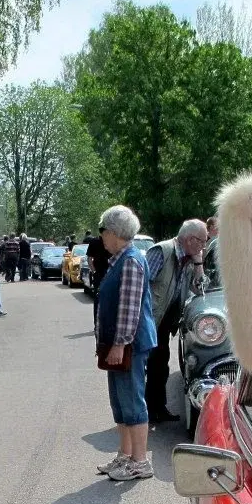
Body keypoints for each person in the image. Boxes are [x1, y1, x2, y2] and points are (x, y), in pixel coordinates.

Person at [94, 205, 157, 481]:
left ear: (114, 232)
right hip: (118, 343)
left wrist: (119, 343)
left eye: (103, 231)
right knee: (120, 402)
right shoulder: (119, 259)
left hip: (128, 343)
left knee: (132, 400)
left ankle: (140, 462)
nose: (102, 237)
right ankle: (125, 456)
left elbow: (130, 308)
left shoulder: (130, 260)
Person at [144, 218, 208, 423]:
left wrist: (199, 264)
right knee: (143, 367)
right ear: (189, 239)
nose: (203, 246)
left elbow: (200, 290)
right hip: (147, 320)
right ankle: (141, 413)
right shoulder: (161, 252)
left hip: (163, 323)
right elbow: (140, 286)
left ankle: (157, 408)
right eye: (202, 241)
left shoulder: (189, 260)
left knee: (160, 366)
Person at [86, 226, 110, 321]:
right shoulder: (94, 241)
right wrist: (94, 271)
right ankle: (97, 322)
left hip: (109, 272)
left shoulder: (111, 242)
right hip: (99, 273)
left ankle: (104, 320)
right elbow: (89, 258)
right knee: (98, 297)